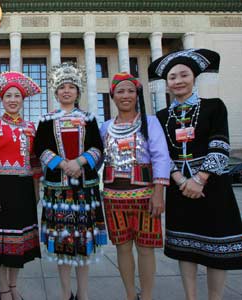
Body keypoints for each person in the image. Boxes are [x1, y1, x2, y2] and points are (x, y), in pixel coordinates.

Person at [149, 48, 242, 300]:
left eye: (183, 75)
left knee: (216, 249)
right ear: (166, 83)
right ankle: (191, 297)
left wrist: (200, 179)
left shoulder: (213, 107)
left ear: (194, 77)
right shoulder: (160, 116)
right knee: (185, 247)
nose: (178, 81)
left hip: (212, 186)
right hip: (180, 188)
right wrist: (180, 180)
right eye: (172, 77)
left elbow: (220, 144)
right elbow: (160, 154)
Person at [34, 62, 105, 300]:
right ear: (55, 92)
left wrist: (80, 162)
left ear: (78, 92)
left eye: (71, 87)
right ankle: (65, 293)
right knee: (62, 242)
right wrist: (64, 164)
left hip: (85, 189)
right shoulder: (46, 120)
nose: (66, 91)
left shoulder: (89, 118)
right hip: (58, 190)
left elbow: (98, 147)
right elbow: (40, 148)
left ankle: (83, 294)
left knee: (83, 243)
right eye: (62, 87)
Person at [100, 73, 170, 300]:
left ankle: (147, 295)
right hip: (113, 196)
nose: (125, 95)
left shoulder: (150, 123)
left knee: (146, 248)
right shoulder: (105, 127)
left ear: (137, 94)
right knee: (122, 247)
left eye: (130, 90)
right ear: (112, 96)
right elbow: (97, 158)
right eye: (120, 91)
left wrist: (159, 193)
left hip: (145, 195)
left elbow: (161, 157)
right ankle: (130, 294)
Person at [0, 71, 42, 300]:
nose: (13, 99)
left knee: (19, 242)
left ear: (23, 100)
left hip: (24, 188)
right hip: (1, 187)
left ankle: (14, 286)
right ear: (2, 100)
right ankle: (3, 288)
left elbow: (35, 162)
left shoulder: (31, 127)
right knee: (0, 242)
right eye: (8, 96)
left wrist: (36, 192)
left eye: (17, 96)